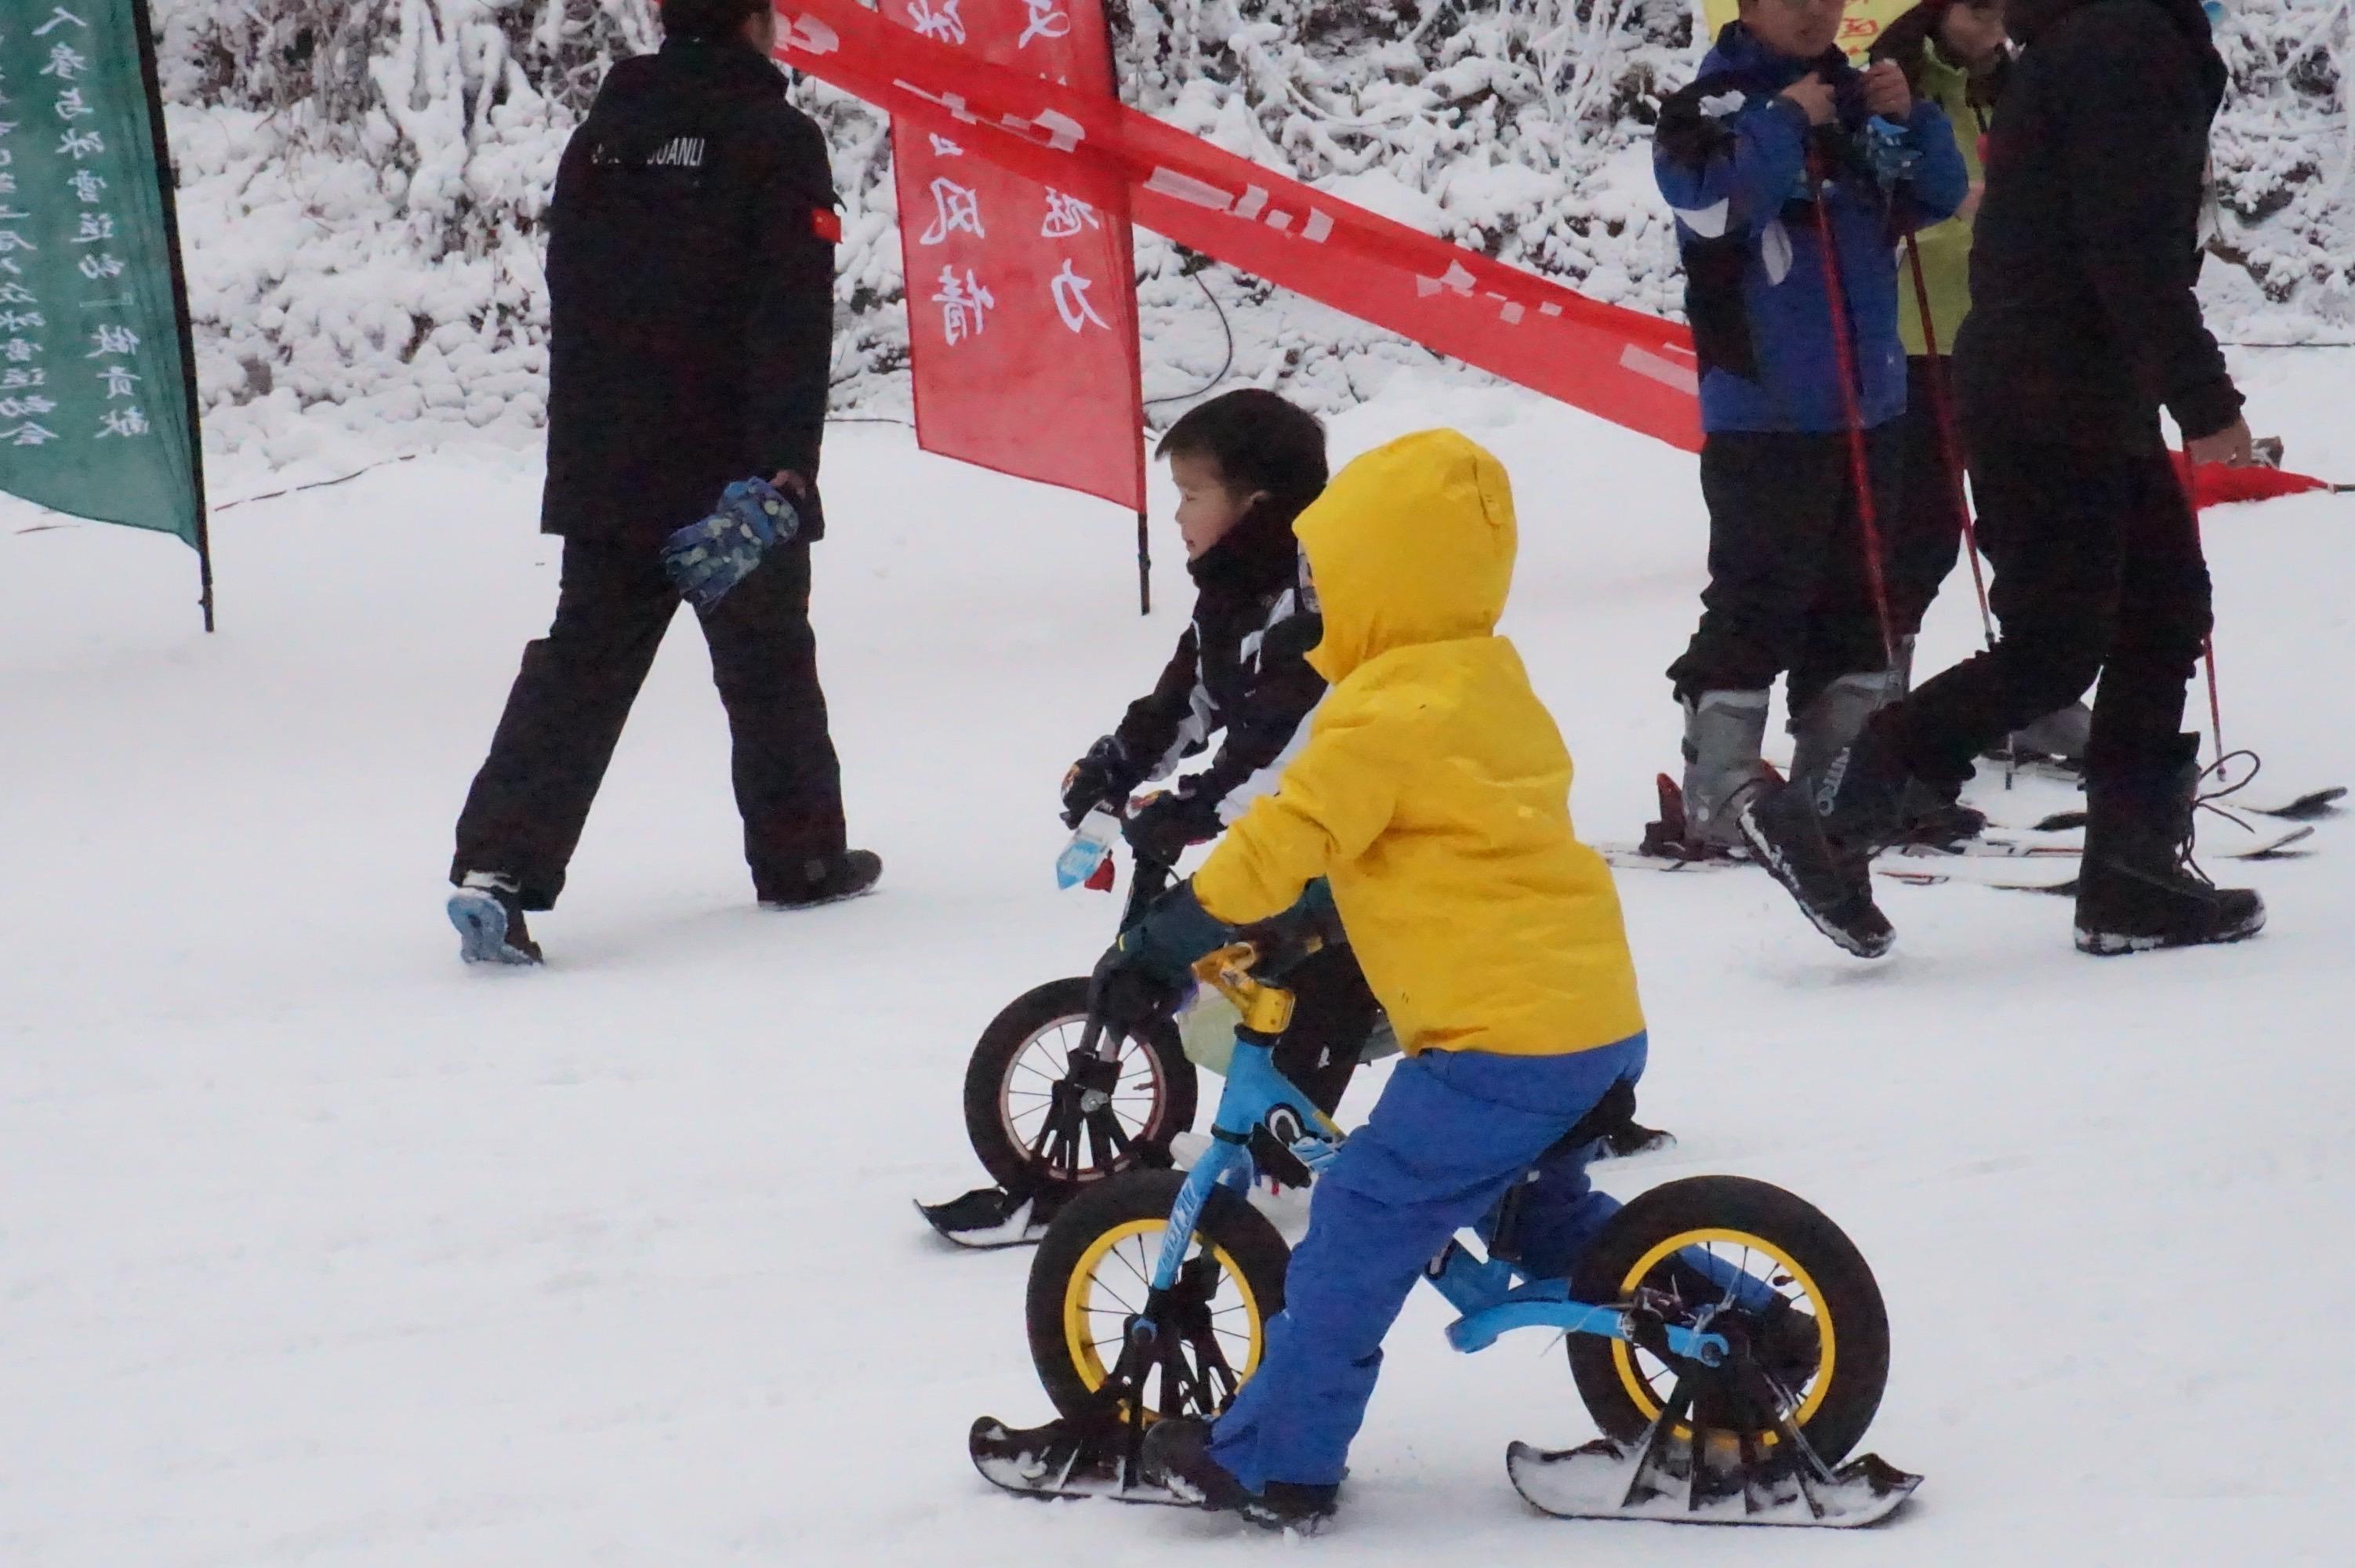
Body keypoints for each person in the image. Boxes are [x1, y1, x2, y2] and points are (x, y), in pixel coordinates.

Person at [1091, 430, 1656, 1530]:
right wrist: (1312, 925)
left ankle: (1274, 1462)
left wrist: (1169, 938)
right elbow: (1430, 845)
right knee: (1543, 1218)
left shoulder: (1382, 707)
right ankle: (1735, 1321)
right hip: (1587, 1018)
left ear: (1377, 579)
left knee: (1357, 1217)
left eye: (1329, 577)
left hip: (1500, 1044)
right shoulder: (1487, 680)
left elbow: (1289, 835)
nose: (1318, 602)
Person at [1740, 0, 2263, 960]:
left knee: (2160, 611)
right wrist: (2201, 397)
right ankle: (1840, 804)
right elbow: (2129, 249)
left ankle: (2131, 878)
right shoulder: (2120, 43)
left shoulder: (2093, 36)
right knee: (2060, 640)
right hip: (2052, 381)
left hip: (2068, 374)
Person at [445, 0, 876, 966]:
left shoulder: (602, 137)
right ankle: (801, 859)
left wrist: (594, 450)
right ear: (755, 25)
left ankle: (498, 868)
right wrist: (783, 467)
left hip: (611, 457)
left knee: (582, 666)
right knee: (767, 665)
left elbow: (577, 297)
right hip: (729, 468)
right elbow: (789, 310)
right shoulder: (776, 137)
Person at [1651, 0, 1969, 854]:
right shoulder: (1705, 108)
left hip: (1874, 397)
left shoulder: (1857, 92)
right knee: (1758, 596)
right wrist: (1788, 117)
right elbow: (1715, 208)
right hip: (1765, 409)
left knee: (1863, 596)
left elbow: (1937, 198)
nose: (1811, 11)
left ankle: (1839, 779)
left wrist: (1913, 118)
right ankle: (1720, 785)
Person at [1873, 0, 2093, 780]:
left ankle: (2030, 689)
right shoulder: (1898, 75)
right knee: (1923, 526)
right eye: (1974, 8)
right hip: (1920, 333)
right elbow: (1885, 197)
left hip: (2014, 331)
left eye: (2000, 10)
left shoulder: (2021, 78)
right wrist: (1964, 205)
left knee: (2028, 520)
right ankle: (1881, 702)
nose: (1989, 25)